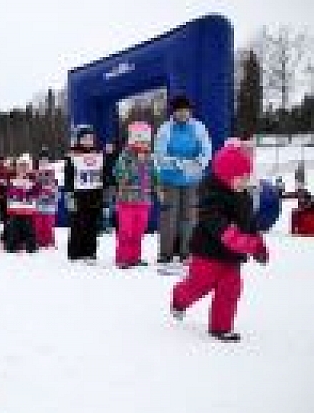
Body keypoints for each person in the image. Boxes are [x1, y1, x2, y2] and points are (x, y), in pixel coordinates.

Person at [171, 143, 268, 342]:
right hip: (208, 253)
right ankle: (179, 299)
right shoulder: (211, 198)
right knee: (199, 286)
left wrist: (258, 245)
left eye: (246, 177)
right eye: (240, 178)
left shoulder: (244, 197)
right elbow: (221, 229)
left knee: (231, 288)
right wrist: (246, 244)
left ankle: (221, 327)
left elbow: (250, 225)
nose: (244, 182)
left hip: (232, 258)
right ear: (225, 176)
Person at [154, 95, 212, 265]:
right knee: (169, 217)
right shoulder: (165, 129)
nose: (182, 114)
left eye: (185, 111)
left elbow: (206, 150)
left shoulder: (198, 127)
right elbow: (160, 155)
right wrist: (179, 163)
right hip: (170, 179)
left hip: (192, 180)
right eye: (179, 111)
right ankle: (166, 253)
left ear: (190, 111)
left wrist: (198, 163)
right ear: (173, 112)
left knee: (189, 217)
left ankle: (187, 252)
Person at [113, 122, 160, 268]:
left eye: (146, 142)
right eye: (140, 141)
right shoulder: (125, 156)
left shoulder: (150, 158)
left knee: (139, 231)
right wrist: (136, 165)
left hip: (143, 201)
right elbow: (119, 174)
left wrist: (158, 188)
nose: (143, 144)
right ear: (133, 141)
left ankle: (135, 257)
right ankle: (123, 258)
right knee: (126, 230)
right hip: (126, 200)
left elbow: (155, 176)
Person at [63, 125, 113, 263]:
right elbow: (68, 176)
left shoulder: (99, 154)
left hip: (95, 194)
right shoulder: (72, 155)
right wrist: (69, 194)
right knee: (78, 223)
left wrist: (109, 155)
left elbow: (106, 172)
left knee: (92, 225)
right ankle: (75, 252)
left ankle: (90, 252)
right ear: (79, 140)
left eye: (91, 138)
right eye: (85, 138)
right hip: (78, 194)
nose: (88, 141)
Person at [2, 154, 39, 253]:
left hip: (28, 210)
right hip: (15, 209)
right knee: (14, 228)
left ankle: (30, 245)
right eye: (21, 166)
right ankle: (12, 245)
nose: (23, 169)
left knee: (29, 228)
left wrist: (28, 193)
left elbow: (37, 192)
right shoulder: (12, 179)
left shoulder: (33, 180)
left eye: (25, 166)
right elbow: (8, 191)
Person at [34, 148, 58, 248]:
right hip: (38, 203)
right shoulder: (35, 173)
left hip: (49, 203)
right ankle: (39, 240)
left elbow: (55, 187)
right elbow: (33, 187)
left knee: (48, 223)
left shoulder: (52, 173)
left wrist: (52, 192)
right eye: (42, 160)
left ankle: (49, 240)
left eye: (45, 160)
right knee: (38, 223)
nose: (43, 162)